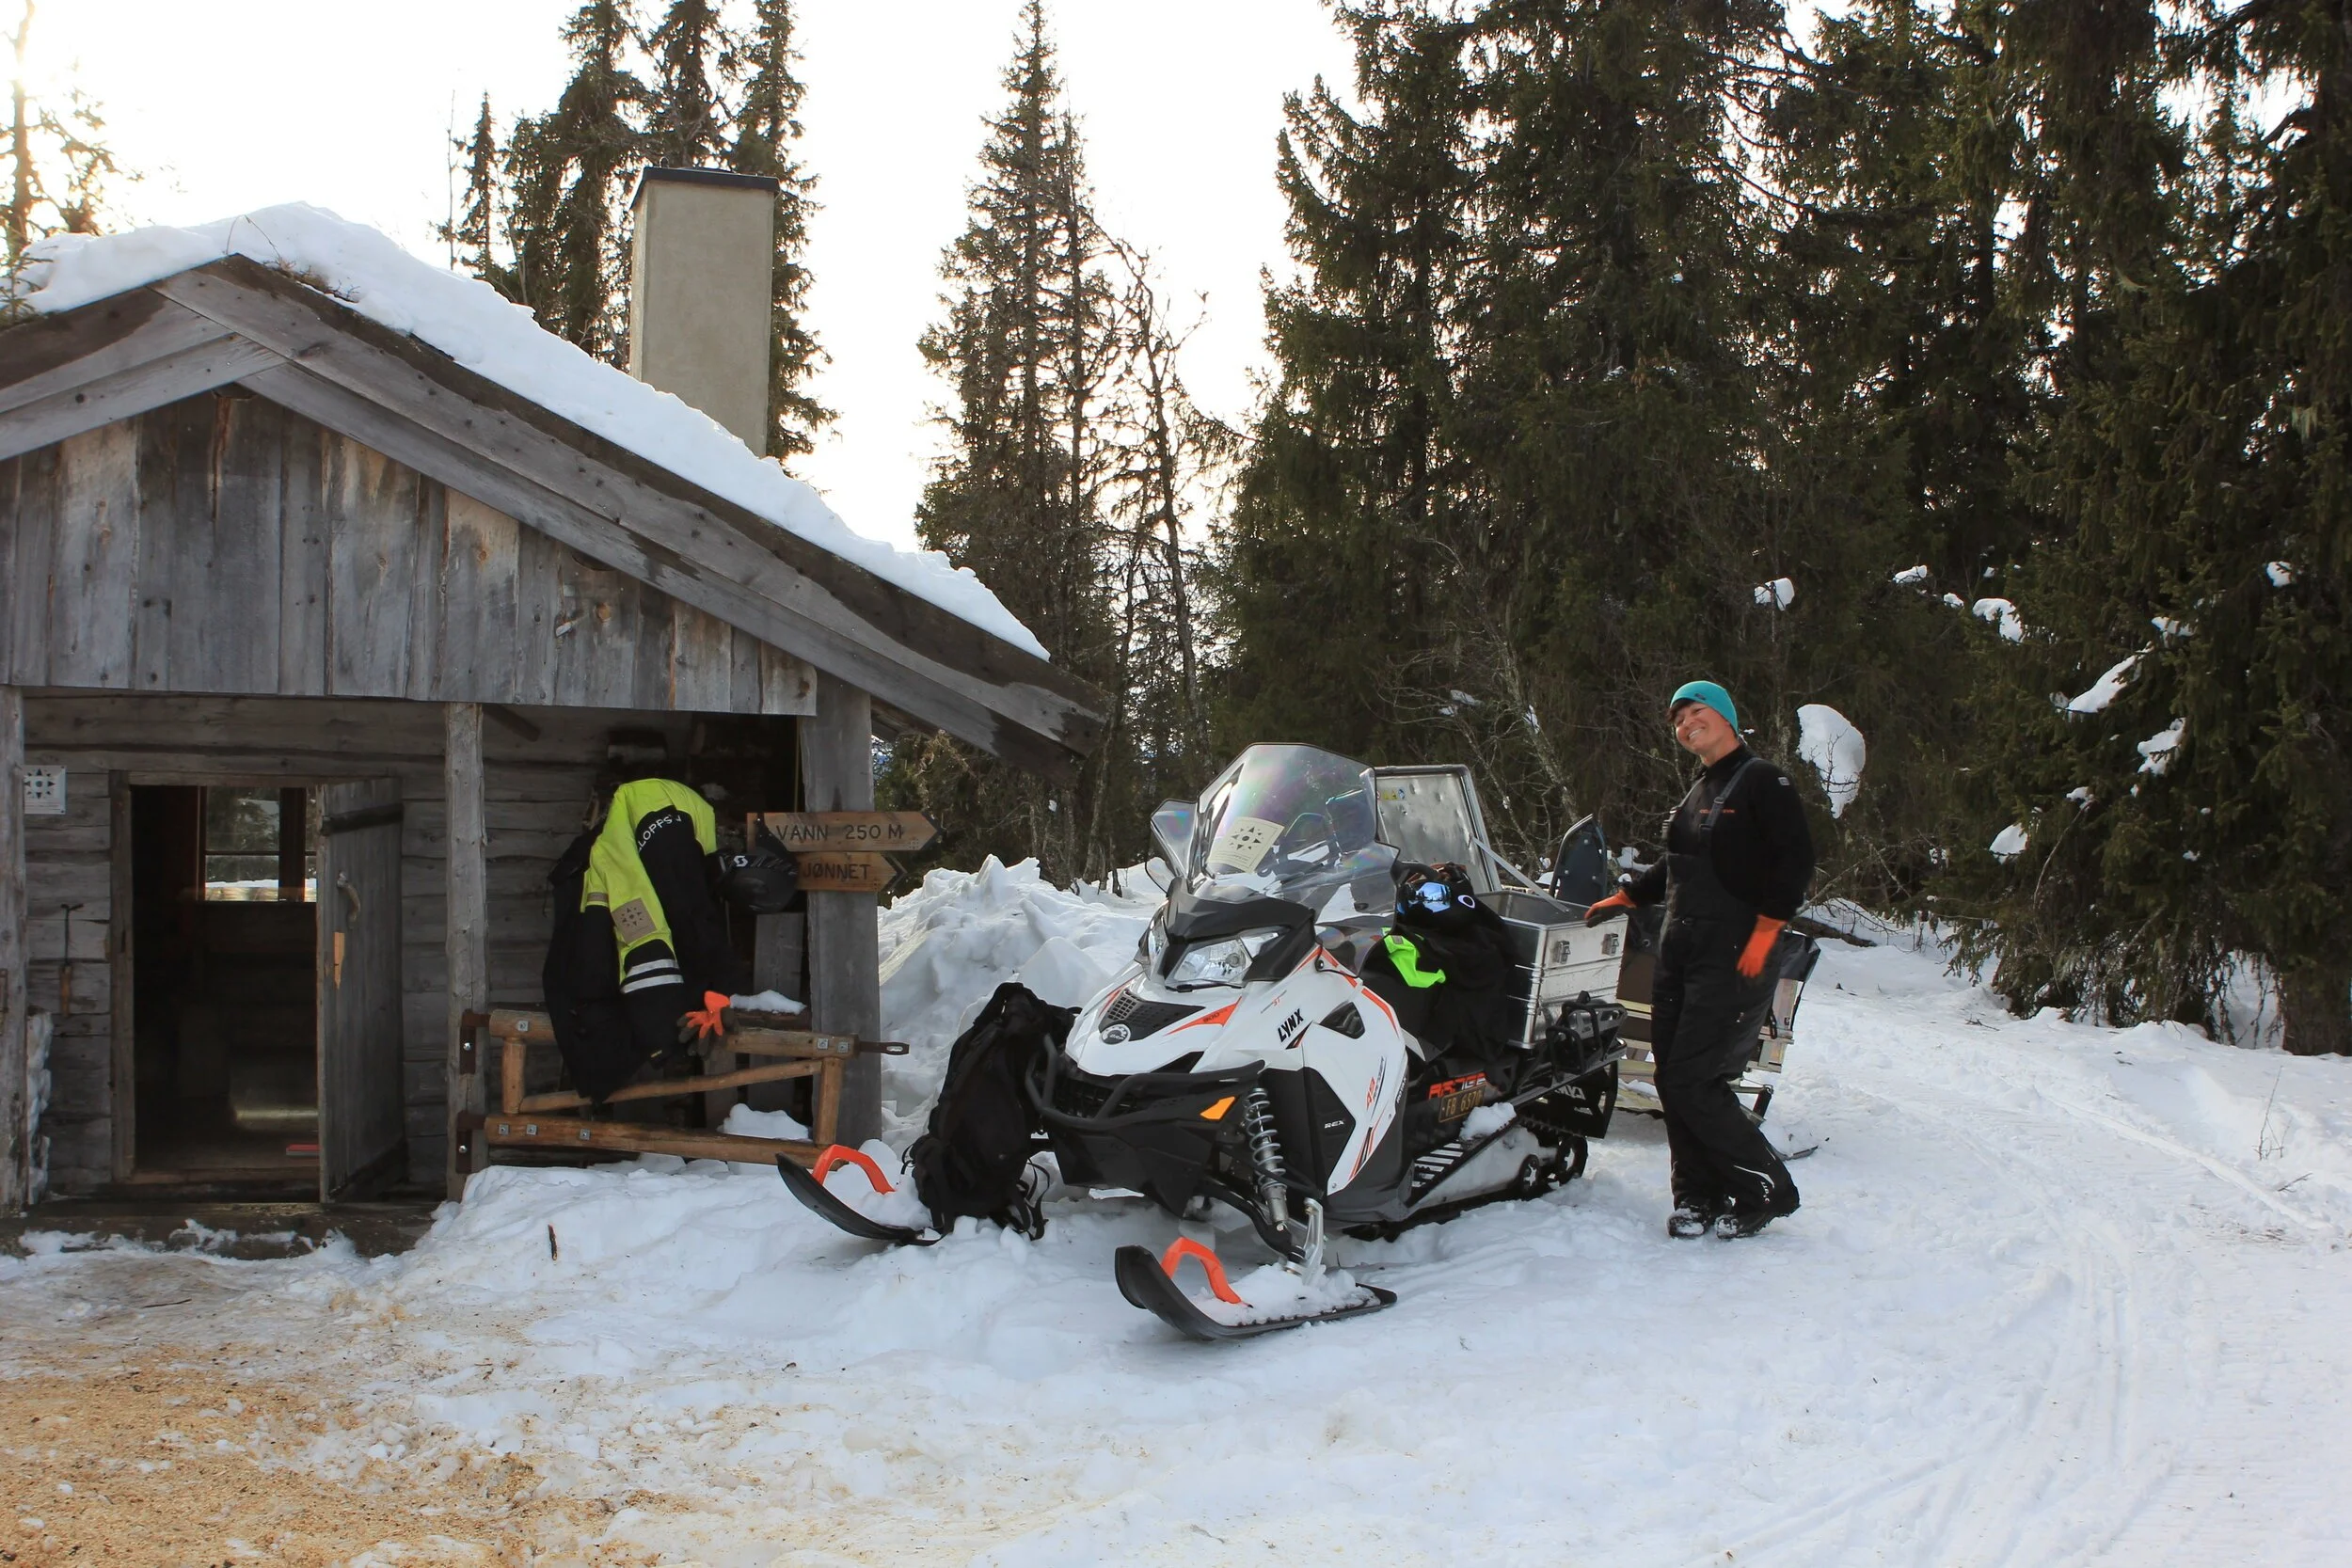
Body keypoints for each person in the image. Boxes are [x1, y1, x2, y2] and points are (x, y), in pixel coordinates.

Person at [1585, 680, 1815, 1239]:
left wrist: (1765, 935)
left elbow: (1795, 863)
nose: (1687, 723)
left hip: (1736, 952)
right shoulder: (1700, 790)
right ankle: (1696, 1197)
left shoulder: (1763, 780)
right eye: (1679, 719)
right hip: (1680, 948)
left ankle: (1766, 1189)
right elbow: (1681, 863)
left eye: (1697, 711)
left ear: (1727, 716)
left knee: (1697, 1079)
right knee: (1672, 1077)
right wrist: (1631, 895)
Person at [544, 776, 766, 1103]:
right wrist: (720, 982)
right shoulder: (665, 814)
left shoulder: (606, 843)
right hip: (624, 994)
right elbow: (686, 906)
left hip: (587, 993)